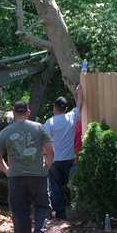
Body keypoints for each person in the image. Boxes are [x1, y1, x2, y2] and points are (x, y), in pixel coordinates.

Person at [0, 101, 53, 233]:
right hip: (38, 176)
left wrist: (7, 171)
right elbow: (50, 150)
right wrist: (47, 166)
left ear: (14, 113)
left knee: (20, 211)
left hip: (16, 178)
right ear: (28, 112)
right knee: (42, 206)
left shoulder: (5, 132)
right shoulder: (39, 128)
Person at [44, 85, 84, 218]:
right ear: (66, 108)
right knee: (70, 185)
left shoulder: (50, 122)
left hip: (55, 160)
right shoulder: (71, 117)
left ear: (54, 107)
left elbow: (44, 142)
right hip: (70, 159)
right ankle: (73, 210)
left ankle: (60, 213)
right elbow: (79, 105)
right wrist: (79, 93)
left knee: (55, 187)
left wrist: (44, 158)